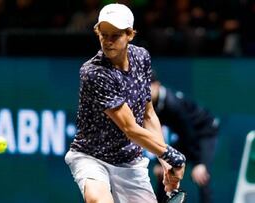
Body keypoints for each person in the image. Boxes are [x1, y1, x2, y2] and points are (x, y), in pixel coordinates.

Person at [64, 3, 186, 203]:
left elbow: (148, 114)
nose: (108, 41)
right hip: (90, 156)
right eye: (104, 35)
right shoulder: (94, 72)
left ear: (129, 34)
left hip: (129, 161)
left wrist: (164, 161)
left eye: (116, 35)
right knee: (98, 200)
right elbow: (130, 128)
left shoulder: (141, 57)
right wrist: (173, 156)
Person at [150, 73, 219, 203]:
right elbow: (158, 134)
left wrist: (198, 163)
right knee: (164, 172)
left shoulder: (173, 104)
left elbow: (189, 133)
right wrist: (160, 162)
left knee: (201, 175)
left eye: (147, 88)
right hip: (185, 136)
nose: (144, 92)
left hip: (204, 132)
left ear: (157, 85)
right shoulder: (152, 105)